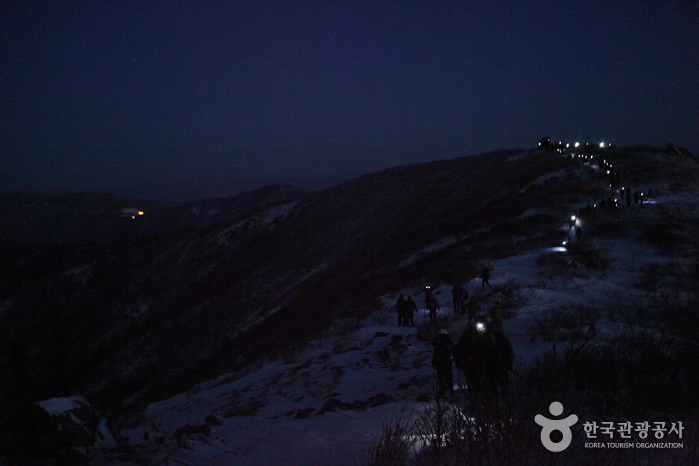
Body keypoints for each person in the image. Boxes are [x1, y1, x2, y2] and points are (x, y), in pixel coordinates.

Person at [452, 317, 514, 407]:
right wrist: (461, 363)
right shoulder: (469, 336)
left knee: (493, 389)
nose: (481, 330)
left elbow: (506, 348)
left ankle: (496, 408)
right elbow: (458, 350)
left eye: (483, 328)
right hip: (474, 368)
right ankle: (478, 408)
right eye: (478, 328)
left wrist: (506, 363)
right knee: (476, 390)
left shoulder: (494, 335)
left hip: (492, 367)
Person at [432, 329, 455, 398]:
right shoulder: (450, 342)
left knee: (441, 378)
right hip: (448, 362)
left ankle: (442, 392)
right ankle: (451, 391)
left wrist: (434, 362)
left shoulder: (438, 343)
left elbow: (435, 353)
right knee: (449, 377)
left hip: (440, 363)